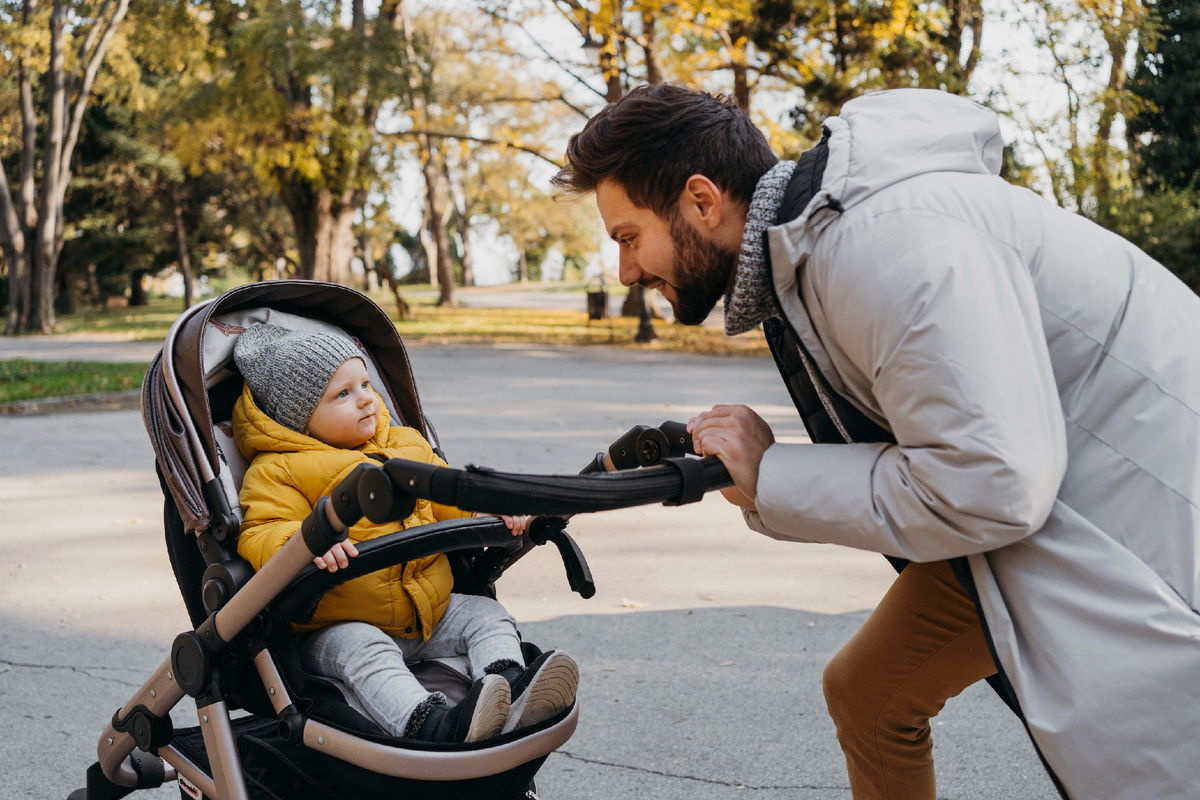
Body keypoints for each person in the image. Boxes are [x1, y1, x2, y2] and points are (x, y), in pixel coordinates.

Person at [552, 84, 1200, 799]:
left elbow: (991, 483)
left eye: (627, 238)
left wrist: (775, 476)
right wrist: (768, 479)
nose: (626, 272)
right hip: (1056, 505)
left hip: (1148, 518)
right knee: (871, 695)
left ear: (702, 201)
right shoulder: (814, 252)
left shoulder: (878, 245)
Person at [231, 322, 579, 744]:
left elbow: (448, 496)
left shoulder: (406, 443)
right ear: (299, 419)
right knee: (366, 652)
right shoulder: (279, 469)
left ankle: (510, 685)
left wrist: (488, 507)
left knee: (485, 615)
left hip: (428, 612)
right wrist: (302, 543)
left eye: (364, 383)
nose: (365, 399)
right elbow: (261, 530)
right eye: (342, 394)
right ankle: (429, 724)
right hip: (337, 625)